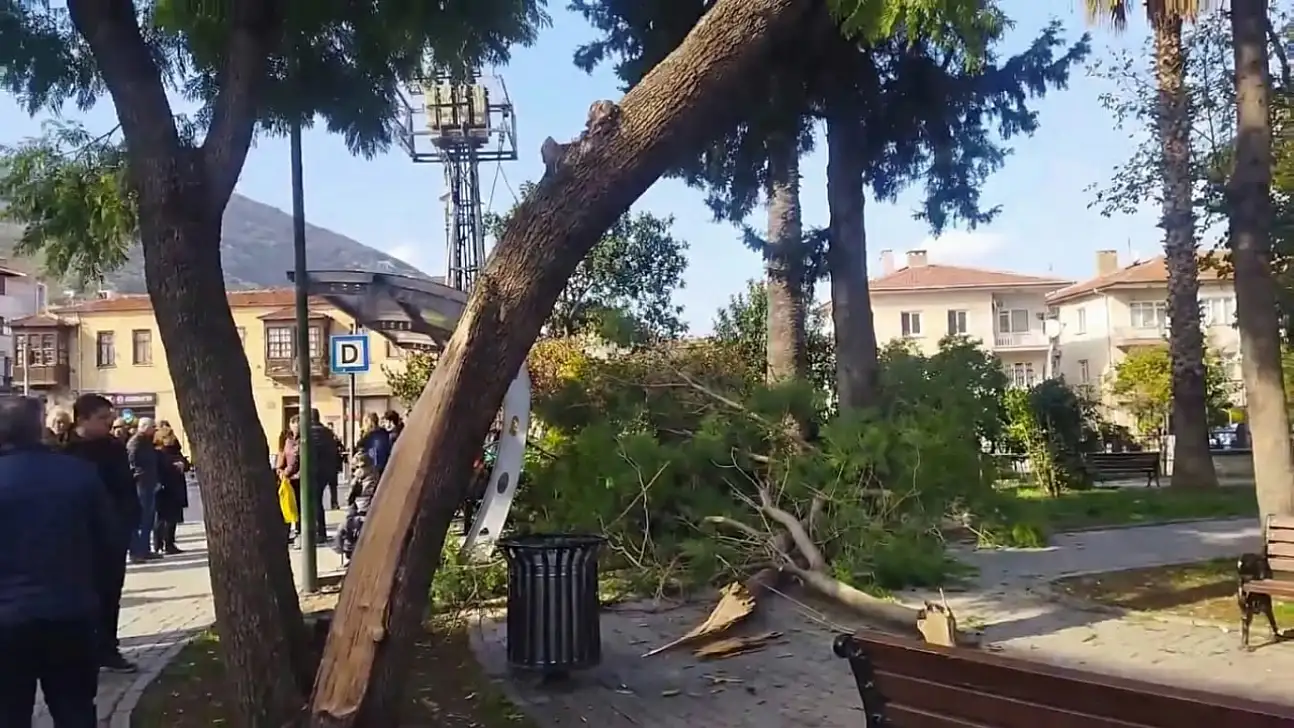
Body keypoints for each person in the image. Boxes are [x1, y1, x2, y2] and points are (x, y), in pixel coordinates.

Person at [0, 396, 116, 726]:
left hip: (7, 620)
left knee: (8, 712)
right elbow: (108, 541)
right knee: (75, 709)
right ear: (39, 430)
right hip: (70, 613)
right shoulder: (78, 474)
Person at [61, 393, 140, 673]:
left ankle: (108, 648)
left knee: (109, 594)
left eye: (110, 418)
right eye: (103, 419)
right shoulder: (65, 451)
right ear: (82, 419)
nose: (110, 423)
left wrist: (125, 524)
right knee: (79, 597)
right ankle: (80, 651)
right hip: (76, 539)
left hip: (110, 537)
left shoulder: (113, 448)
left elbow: (126, 490)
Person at [127, 418, 162, 562]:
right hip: (141, 483)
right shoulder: (136, 442)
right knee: (143, 517)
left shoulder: (147, 442)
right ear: (144, 427)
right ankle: (138, 551)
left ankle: (145, 549)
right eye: (153, 427)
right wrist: (139, 475)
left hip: (149, 482)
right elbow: (132, 461)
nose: (155, 430)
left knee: (149, 518)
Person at [152, 425, 189, 555]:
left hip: (176, 486)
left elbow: (186, 463)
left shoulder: (175, 450)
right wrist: (173, 466)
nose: (171, 438)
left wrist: (183, 464)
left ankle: (169, 543)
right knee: (162, 518)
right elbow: (158, 469)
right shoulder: (157, 452)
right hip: (164, 487)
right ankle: (158, 544)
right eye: (168, 435)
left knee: (173, 518)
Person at [306, 409, 340, 541]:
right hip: (327, 471)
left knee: (313, 502)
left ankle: (318, 532)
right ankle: (321, 531)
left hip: (314, 470)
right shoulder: (327, 432)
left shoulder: (310, 432)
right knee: (317, 501)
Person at [276, 417, 303, 544]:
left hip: (298, 478)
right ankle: (285, 533)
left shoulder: (303, 441)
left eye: (297, 425)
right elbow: (282, 455)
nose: (295, 428)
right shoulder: (287, 439)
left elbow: (296, 461)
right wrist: (279, 469)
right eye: (293, 425)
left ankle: (299, 533)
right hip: (287, 478)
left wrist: (286, 472)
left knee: (298, 507)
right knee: (285, 505)